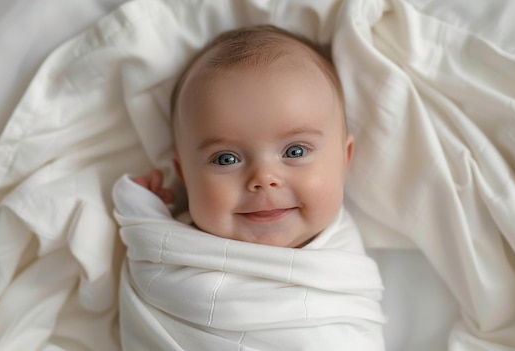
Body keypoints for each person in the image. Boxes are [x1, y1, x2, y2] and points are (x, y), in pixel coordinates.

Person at [113, 25, 385, 350]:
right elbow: (149, 256)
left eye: (294, 151)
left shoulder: (341, 271)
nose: (264, 178)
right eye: (226, 159)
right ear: (184, 175)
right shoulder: (171, 252)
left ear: (345, 158)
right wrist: (145, 214)